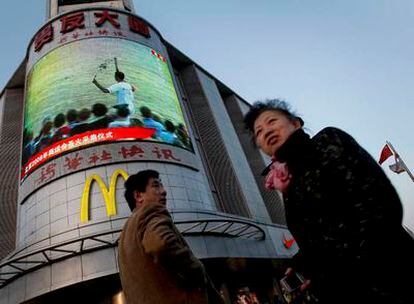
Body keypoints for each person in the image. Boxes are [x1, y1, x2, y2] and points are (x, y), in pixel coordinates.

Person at [243, 99, 414, 304]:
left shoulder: (328, 141)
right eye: (259, 132)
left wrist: (327, 271)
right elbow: (322, 236)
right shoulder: (289, 181)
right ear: (261, 147)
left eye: (272, 121)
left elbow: (380, 206)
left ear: (296, 123)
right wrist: (304, 262)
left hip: (391, 279)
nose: (267, 131)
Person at [118, 170, 223, 304]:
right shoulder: (151, 211)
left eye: (161, 186)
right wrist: (196, 268)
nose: (164, 191)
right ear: (138, 196)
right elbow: (160, 244)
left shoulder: (125, 234)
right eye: (156, 186)